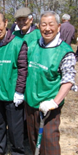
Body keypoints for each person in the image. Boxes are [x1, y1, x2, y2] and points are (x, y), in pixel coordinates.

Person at [25, 11, 76, 155]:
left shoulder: (64, 51)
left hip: (49, 107)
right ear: (39, 27)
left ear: (59, 26)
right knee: (33, 140)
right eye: (43, 25)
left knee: (49, 142)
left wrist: (54, 102)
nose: (47, 28)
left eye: (51, 24)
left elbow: (68, 80)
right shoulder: (33, 46)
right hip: (30, 103)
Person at [0, 11, 27, 155]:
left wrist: (19, 91)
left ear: (5, 23)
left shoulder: (18, 43)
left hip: (12, 94)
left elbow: (23, 69)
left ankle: (17, 152)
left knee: (15, 129)